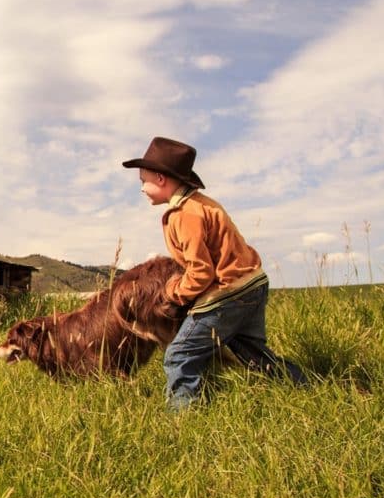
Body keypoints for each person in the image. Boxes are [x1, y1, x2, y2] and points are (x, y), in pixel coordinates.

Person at [122, 136, 307, 411]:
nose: (142, 189)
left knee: (179, 354)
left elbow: (201, 271)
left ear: (161, 179)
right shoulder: (202, 204)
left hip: (228, 294)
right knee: (253, 354)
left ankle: (185, 421)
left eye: (143, 182)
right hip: (252, 284)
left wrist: (174, 292)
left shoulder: (185, 214)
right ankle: (305, 387)